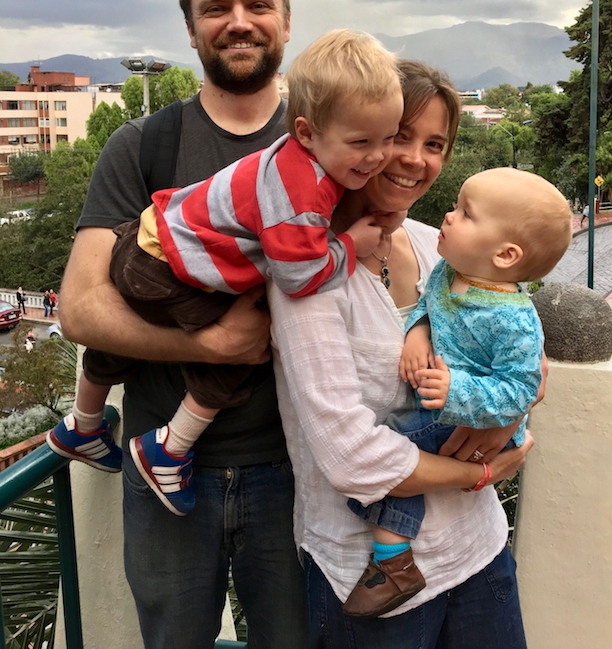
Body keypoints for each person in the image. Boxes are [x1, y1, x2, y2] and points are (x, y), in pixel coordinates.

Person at [58, 0, 308, 649]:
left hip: (297, 469)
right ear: (193, 29)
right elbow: (80, 306)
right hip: (163, 469)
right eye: (215, 7)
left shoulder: (324, 147)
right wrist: (210, 340)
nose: (238, 21)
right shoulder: (142, 146)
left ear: (286, 20)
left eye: (257, 4)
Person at [49, 30, 402, 517]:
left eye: (389, 139)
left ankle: (82, 424)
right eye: (361, 142)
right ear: (305, 132)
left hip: (147, 244)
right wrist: (349, 245)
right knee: (237, 350)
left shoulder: (295, 156)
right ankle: (168, 448)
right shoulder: (302, 190)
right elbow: (298, 276)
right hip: (167, 270)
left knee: (127, 333)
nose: (378, 157)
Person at [270, 60, 536, 648]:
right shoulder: (308, 275)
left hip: (478, 552)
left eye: (434, 143)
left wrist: (511, 416)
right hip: (370, 583)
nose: (415, 158)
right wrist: (481, 472)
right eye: (398, 137)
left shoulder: (436, 246)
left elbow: (520, 355)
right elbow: (352, 462)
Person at [343, 167, 572, 617]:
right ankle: (396, 559)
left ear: (505, 255)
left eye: (465, 214)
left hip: (478, 416)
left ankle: (394, 562)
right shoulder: (451, 270)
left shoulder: (513, 319)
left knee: (391, 450)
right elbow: (429, 306)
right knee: (396, 444)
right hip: (450, 409)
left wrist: (456, 389)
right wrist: (418, 335)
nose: (448, 217)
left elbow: (521, 387)